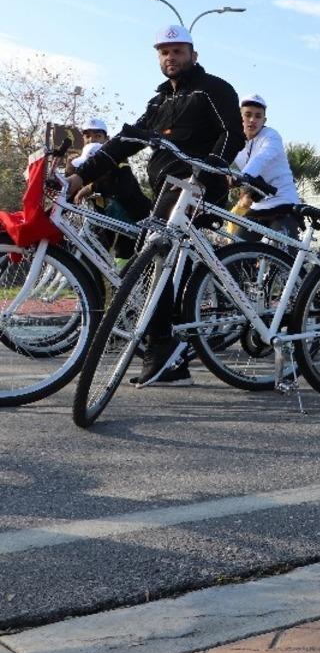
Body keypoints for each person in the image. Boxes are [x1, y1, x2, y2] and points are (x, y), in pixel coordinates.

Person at [66, 24, 244, 388]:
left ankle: (163, 347)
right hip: (165, 193)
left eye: (177, 51)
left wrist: (206, 172)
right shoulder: (159, 101)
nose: (170, 57)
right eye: (163, 52)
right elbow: (125, 141)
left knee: (151, 262)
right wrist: (78, 178)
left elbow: (233, 134)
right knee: (155, 265)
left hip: (199, 189)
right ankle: (168, 352)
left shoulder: (214, 89)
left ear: (193, 54)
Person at [69, 117, 152, 261]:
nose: (92, 140)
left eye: (98, 136)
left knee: (126, 262)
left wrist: (91, 187)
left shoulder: (118, 159)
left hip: (133, 218)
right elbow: (71, 189)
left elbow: (124, 186)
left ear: (107, 139)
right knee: (92, 254)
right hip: (103, 219)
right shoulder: (80, 164)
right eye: (88, 136)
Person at [231, 94, 301, 240]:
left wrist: (242, 176)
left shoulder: (271, 136)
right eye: (248, 115)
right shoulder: (234, 140)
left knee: (282, 256)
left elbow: (261, 158)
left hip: (284, 203)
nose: (252, 120)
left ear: (264, 120)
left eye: (258, 116)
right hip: (258, 207)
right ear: (239, 117)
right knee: (236, 253)